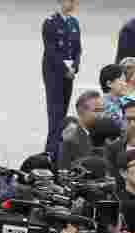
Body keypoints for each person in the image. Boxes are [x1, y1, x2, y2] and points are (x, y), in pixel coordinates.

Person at [42, 0, 82, 162]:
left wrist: (75, 67)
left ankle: (59, 150)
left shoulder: (74, 22)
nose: (71, 3)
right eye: (68, 0)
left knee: (63, 113)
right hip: (54, 73)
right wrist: (66, 70)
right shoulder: (50, 23)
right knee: (55, 114)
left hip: (69, 73)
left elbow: (78, 49)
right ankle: (50, 153)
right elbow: (50, 51)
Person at [59, 90, 105, 170]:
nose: (101, 115)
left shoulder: (106, 135)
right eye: (96, 111)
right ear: (80, 111)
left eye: (102, 110)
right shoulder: (71, 139)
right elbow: (64, 171)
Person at [100, 64, 131, 129]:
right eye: (122, 80)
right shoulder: (104, 105)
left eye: (125, 81)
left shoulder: (123, 102)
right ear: (109, 84)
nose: (125, 84)